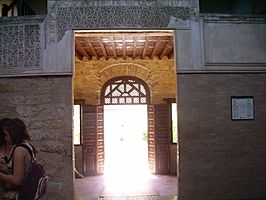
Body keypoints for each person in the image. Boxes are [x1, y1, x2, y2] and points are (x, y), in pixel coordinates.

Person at [0, 118, 33, 200]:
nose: (5, 139)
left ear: (13, 134)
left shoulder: (19, 150)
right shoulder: (27, 145)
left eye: (6, 135)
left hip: (16, 195)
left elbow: (17, 180)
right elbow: (19, 169)